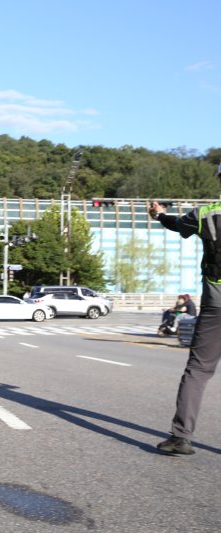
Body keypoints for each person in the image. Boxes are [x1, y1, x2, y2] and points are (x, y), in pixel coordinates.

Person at [149, 163, 221, 455]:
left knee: (198, 369)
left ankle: (180, 437)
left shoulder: (206, 214)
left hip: (217, 302)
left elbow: (177, 224)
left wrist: (159, 214)